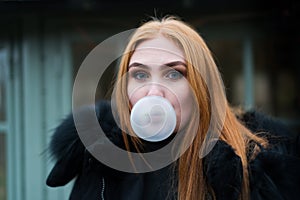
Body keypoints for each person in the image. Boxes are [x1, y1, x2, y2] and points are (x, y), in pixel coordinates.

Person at [46, 16, 300, 200]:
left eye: (173, 74)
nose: (154, 92)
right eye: (140, 75)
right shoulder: (100, 158)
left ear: (202, 87)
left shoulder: (251, 167)